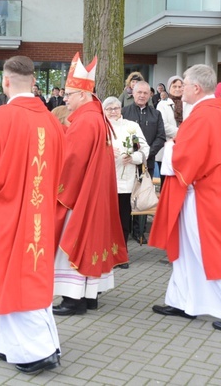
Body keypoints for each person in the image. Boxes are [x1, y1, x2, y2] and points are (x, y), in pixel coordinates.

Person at [0, 55, 65, 374]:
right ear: (33, 82)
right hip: (40, 212)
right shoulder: (52, 121)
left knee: (16, 275)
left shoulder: (0, 118)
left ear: (5, 82)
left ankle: (38, 350)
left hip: (8, 212)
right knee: (11, 273)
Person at [149, 64, 221, 333]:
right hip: (207, 192)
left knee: (209, 251)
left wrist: (170, 151)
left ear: (196, 88)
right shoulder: (212, 112)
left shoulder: (204, 115)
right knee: (186, 251)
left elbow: (191, 157)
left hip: (203, 195)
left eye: (184, 84)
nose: (181, 88)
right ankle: (182, 301)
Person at [53, 53, 128, 316]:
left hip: (81, 194)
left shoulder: (85, 121)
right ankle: (89, 294)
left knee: (73, 240)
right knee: (91, 241)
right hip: (95, 193)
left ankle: (73, 299)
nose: (65, 99)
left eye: (69, 94)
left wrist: (56, 189)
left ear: (83, 95)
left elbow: (72, 162)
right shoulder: (97, 117)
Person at [103, 96, 149, 255]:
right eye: (109, 109)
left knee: (123, 218)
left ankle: (121, 253)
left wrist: (133, 157)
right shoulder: (101, 126)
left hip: (125, 180)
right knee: (106, 219)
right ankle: (106, 252)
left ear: (121, 109)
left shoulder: (131, 126)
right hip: (105, 179)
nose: (113, 112)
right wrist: (105, 151)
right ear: (104, 111)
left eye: (115, 108)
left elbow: (144, 149)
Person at [121, 80, 166, 178]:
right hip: (128, 162)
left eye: (145, 93)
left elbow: (161, 137)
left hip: (148, 162)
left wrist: (148, 152)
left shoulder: (156, 114)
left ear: (150, 95)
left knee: (145, 191)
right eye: (139, 92)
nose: (142, 95)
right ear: (133, 93)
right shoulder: (124, 112)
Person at [155, 75, 183, 174]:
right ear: (169, 88)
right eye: (174, 86)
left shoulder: (188, 104)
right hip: (167, 147)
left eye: (180, 86)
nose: (177, 89)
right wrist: (182, 133)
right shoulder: (162, 104)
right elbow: (163, 125)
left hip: (184, 147)